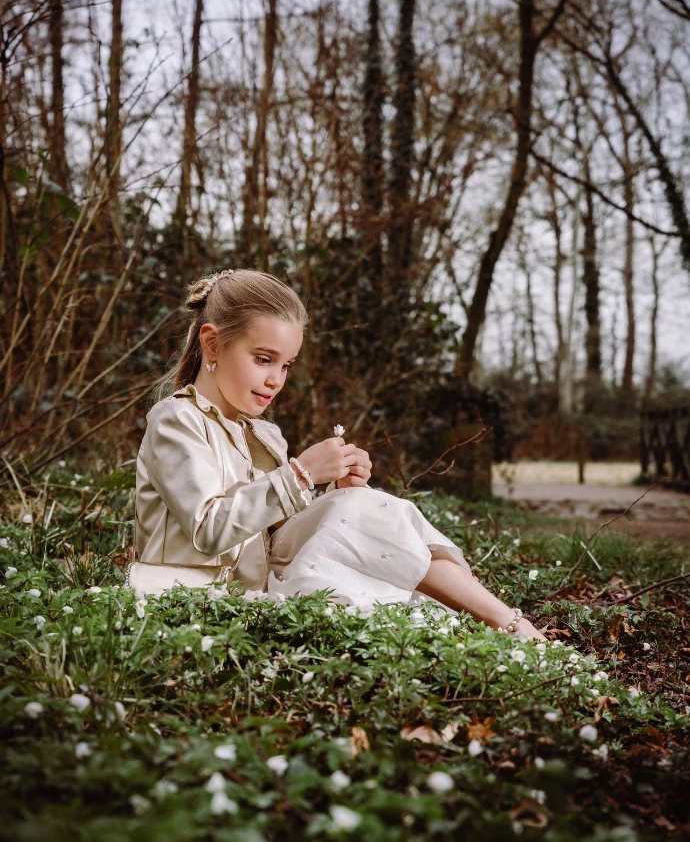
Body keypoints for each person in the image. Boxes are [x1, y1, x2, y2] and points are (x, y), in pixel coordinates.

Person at [135, 269, 545, 641]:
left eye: (286, 365)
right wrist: (300, 475)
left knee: (361, 508)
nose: (276, 380)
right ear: (212, 344)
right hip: (191, 599)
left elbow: (273, 538)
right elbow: (209, 530)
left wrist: (338, 493)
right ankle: (509, 626)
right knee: (369, 573)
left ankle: (507, 623)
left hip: (259, 592)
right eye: (263, 360)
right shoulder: (176, 420)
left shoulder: (264, 434)